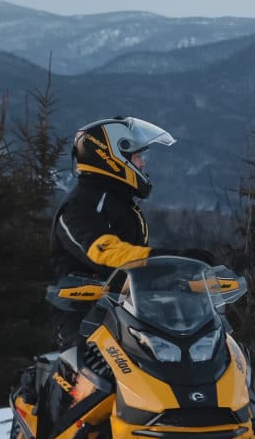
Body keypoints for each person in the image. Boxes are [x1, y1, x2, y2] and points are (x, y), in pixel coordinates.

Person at [48, 115, 213, 347]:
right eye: (136, 156)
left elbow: (134, 270)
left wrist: (194, 277)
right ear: (111, 157)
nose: (142, 163)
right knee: (91, 376)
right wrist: (171, 259)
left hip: (128, 312)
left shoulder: (118, 202)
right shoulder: (79, 206)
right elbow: (105, 253)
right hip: (85, 318)